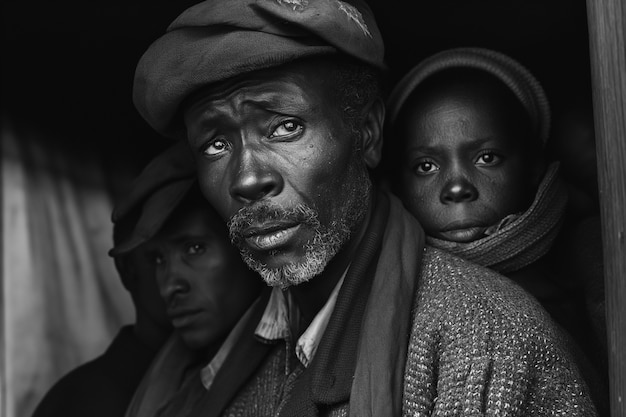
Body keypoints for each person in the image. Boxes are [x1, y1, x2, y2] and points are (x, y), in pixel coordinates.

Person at [131, 1, 597, 415]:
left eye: (285, 126)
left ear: (368, 134)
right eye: (215, 144)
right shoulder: (236, 362)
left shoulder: (488, 342)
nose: (248, 178)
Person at [384, 47, 608, 413]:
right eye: (425, 166)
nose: (456, 187)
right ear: (397, 185)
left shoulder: (594, 269)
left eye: (486, 158)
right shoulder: (390, 296)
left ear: (533, 167)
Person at [108, 144, 263, 417]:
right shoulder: (172, 381)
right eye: (159, 259)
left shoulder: (296, 364)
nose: (169, 287)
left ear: (246, 245)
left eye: (194, 249)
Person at [31, 163, 174, 417]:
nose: (178, 276)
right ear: (128, 269)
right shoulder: (81, 401)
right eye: (158, 258)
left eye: (196, 249)